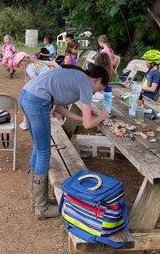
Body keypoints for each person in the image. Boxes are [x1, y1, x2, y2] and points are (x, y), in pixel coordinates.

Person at [19, 65, 110, 219]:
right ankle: (41, 208)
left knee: (38, 148)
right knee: (44, 151)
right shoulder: (86, 84)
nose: (97, 92)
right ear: (98, 80)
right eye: (100, 88)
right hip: (36, 100)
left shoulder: (75, 75)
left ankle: (36, 200)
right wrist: (102, 116)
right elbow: (89, 125)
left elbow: (59, 109)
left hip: (25, 95)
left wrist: (83, 118)